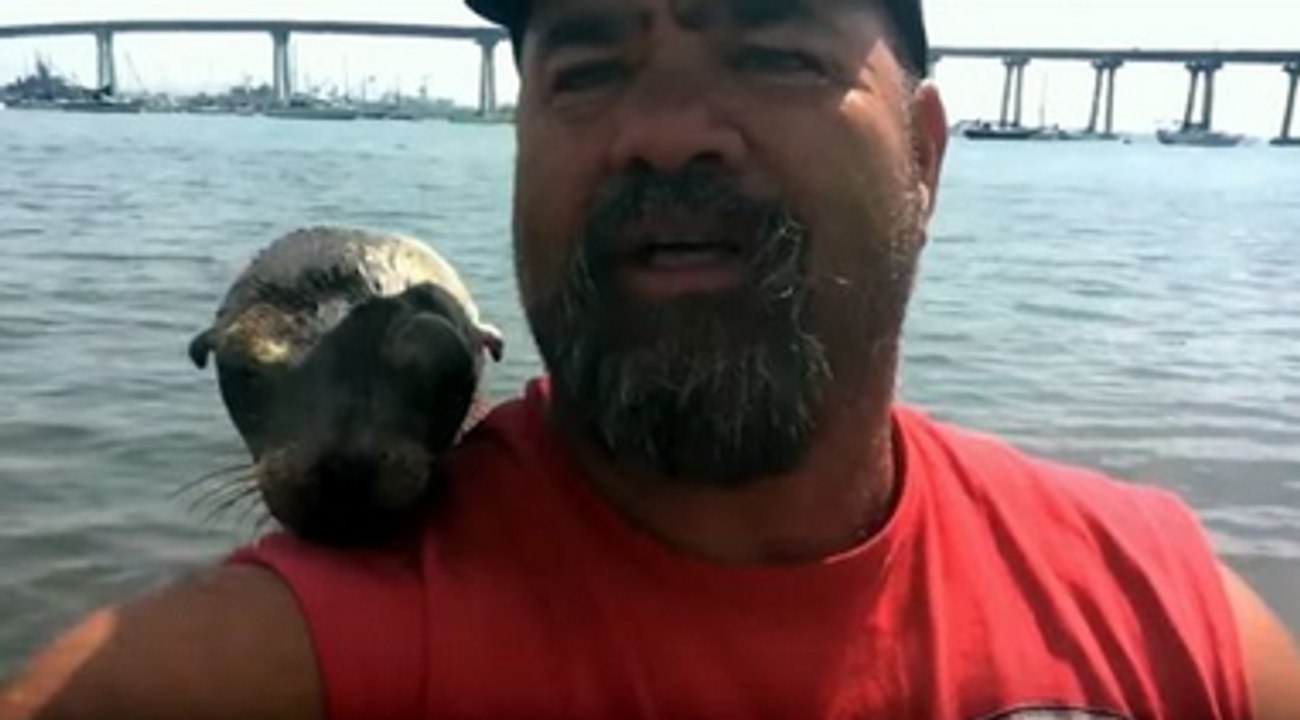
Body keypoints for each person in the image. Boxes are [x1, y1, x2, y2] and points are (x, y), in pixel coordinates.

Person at [3, 0, 1299, 717]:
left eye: (775, 49)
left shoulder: (1170, 620)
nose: (667, 130)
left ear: (925, 156)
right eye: (587, 67)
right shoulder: (262, 663)